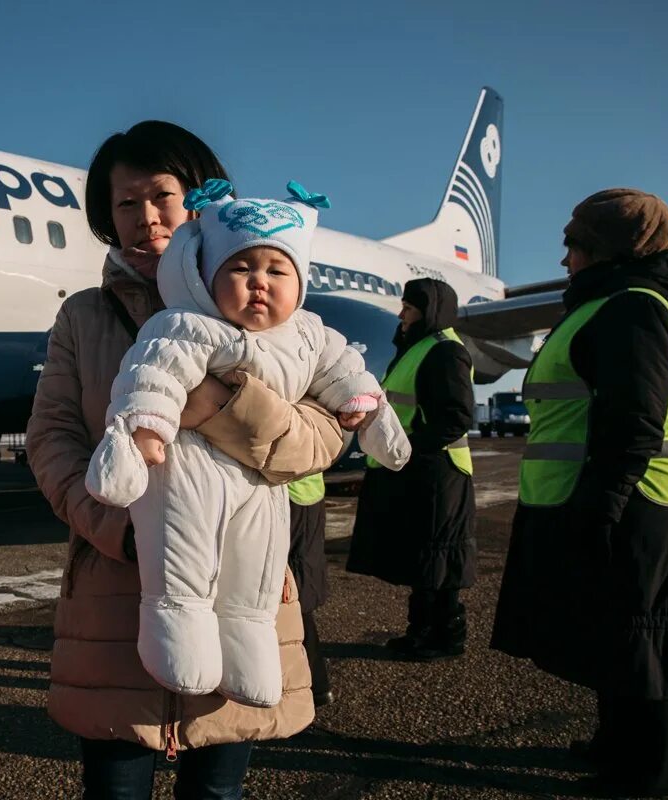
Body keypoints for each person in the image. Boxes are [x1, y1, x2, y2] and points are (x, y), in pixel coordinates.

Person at [28, 121, 343, 799]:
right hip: (116, 591)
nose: (146, 219)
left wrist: (224, 408)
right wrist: (118, 530)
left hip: (242, 586)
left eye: (162, 197)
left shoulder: (273, 306)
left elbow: (323, 437)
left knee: (218, 791)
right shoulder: (83, 317)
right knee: (114, 791)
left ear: (198, 200)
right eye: (125, 204)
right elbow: (51, 441)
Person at [85, 179, 409, 707]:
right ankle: (180, 637)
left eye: (276, 271)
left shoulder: (309, 335)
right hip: (188, 472)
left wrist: (366, 409)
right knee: (185, 557)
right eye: (241, 269)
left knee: (254, 572)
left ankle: (250, 648)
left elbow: (346, 371)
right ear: (205, 274)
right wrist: (145, 427)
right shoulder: (188, 324)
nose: (259, 283)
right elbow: (154, 375)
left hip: (262, 485)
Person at [491, 188, 668, 796]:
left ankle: (649, 771)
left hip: (636, 502)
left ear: (602, 249)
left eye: (573, 245)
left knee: (641, 638)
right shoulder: (611, 304)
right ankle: (615, 743)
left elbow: (634, 422)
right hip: (608, 496)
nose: (564, 258)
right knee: (614, 634)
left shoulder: (633, 308)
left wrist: (604, 504)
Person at [346, 278, 477, 661]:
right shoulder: (417, 349)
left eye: (409, 308)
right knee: (423, 559)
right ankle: (421, 631)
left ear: (428, 312)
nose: (401, 315)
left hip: (438, 471)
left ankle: (445, 636)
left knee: (438, 559)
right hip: (417, 468)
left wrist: (406, 448)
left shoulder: (445, 351)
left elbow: (455, 418)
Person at [287, 472, 333, 707]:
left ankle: (314, 686)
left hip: (293, 493)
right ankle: (314, 686)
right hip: (296, 491)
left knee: (293, 596)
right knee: (292, 596)